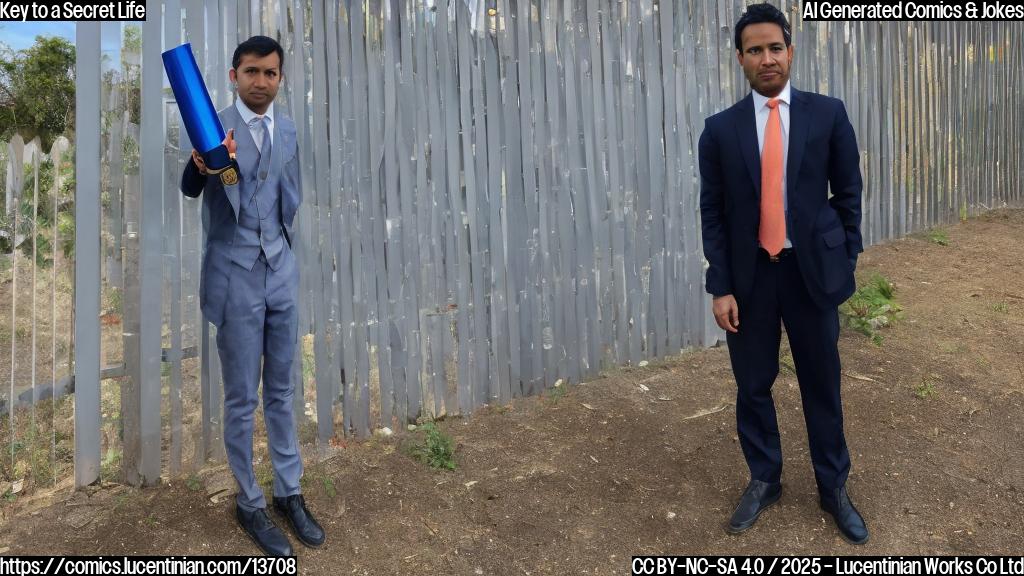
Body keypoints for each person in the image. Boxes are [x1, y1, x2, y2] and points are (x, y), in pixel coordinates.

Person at [698, 3, 868, 544]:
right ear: (741, 59)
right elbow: (714, 213)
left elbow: (848, 194)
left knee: (823, 382)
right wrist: (720, 284)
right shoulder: (720, 131)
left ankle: (832, 486)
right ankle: (765, 477)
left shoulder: (827, 114)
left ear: (790, 51)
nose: (766, 58)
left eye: (775, 47)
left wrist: (845, 257)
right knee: (753, 385)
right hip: (751, 280)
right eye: (755, 50)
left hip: (810, 274)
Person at [181, 35, 324, 556]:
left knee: (283, 389)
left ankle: (290, 491)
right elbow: (191, 185)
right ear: (233, 75)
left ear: (279, 78)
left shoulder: (285, 127)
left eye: (270, 73)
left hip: (279, 270)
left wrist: (280, 247)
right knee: (242, 397)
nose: (260, 82)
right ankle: (249, 500)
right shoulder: (211, 122)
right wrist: (202, 165)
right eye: (251, 72)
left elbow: (291, 192)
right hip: (235, 275)